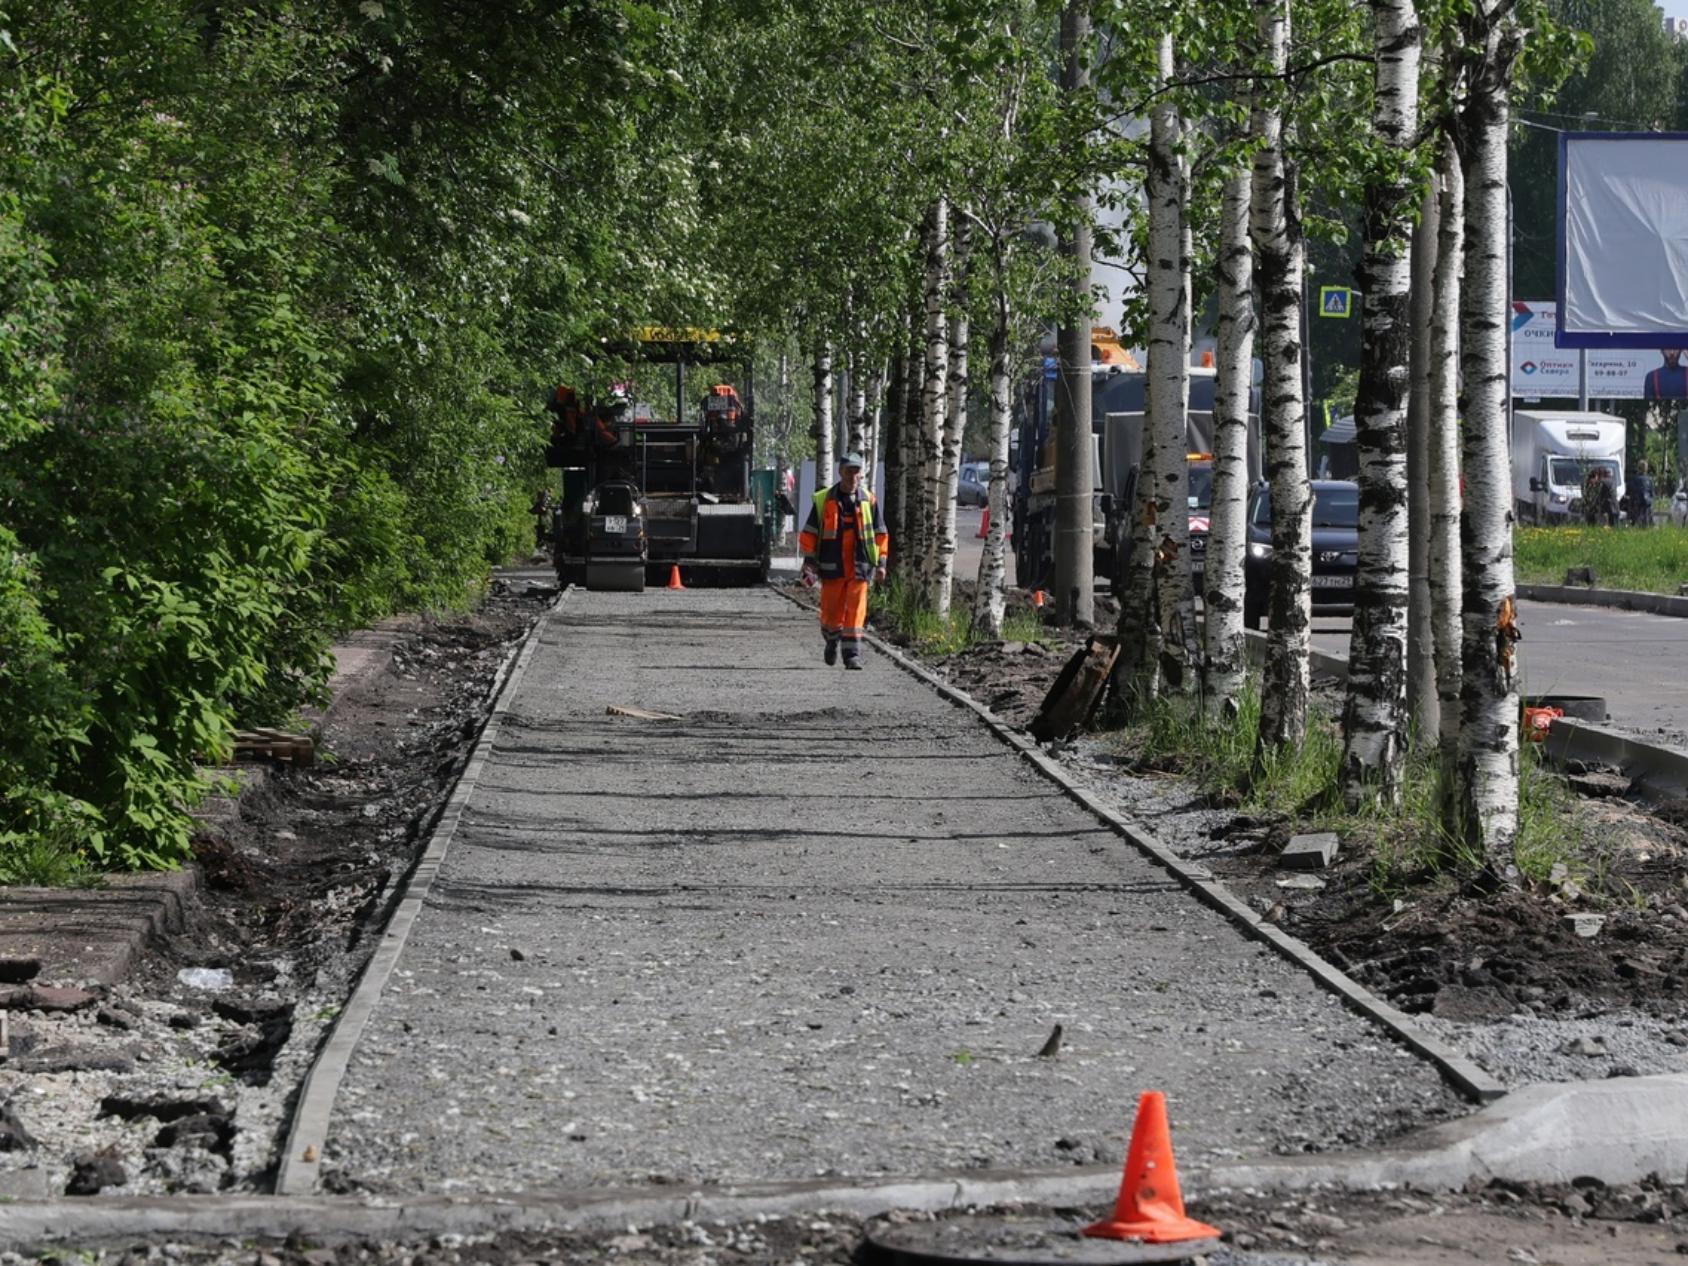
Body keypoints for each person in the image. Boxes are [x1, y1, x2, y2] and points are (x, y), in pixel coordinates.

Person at [799, 453, 888, 669]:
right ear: (840, 472)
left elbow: (880, 534)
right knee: (831, 612)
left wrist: (882, 563)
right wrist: (810, 560)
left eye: (856, 471)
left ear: (861, 474)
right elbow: (810, 533)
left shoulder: (869, 501)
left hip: (860, 566)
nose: (852, 476)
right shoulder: (824, 500)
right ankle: (831, 641)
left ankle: (852, 656)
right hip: (832, 566)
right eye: (848, 471)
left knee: (856, 612)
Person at [1630, 460, 1656, 527]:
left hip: (1638, 503)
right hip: (1647, 503)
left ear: (1638, 468)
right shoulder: (1650, 479)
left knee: (1636, 522)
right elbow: (1652, 493)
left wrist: (1631, 502)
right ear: (1646, 469)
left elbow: (1632, 491)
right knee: (1647, 522)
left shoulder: (1635, 479)